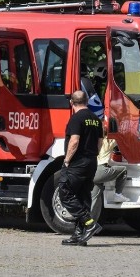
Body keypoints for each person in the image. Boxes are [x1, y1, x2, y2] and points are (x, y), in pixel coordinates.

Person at [59, 90, 103, 246]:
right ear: (86, 101)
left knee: (65, 192)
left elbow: (74, 141)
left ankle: (89, 223)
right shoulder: (95, 119)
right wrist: (93, 155)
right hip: (91, 162)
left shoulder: (76, 119)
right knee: (83, 196)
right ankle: (79, 235)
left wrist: (66, 160)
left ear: (72, 103)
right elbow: (100, 142)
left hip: (77, 163)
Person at [92, 129, 130, 208]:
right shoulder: (109, 142)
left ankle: (86, 218)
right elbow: (122, 139)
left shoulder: (94, 141)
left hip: (91, 171)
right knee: (123, 170)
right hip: (101, 170)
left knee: (93, 198)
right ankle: (118, 194)